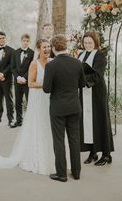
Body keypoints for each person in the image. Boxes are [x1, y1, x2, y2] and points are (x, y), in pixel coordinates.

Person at [0, 39, 55, 175]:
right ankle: (36, 156)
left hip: (49, 99)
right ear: (39, 49)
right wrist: (45, 84)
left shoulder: (52, 62)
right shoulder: (34, 63)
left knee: (48, 125)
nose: (47, 49)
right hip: (38, 99)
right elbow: (31, 84)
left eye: (49, 46)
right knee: (38, 124)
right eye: (44, 47)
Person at [43, 34, 86, 182]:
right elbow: (82, 84)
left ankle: (61, 174)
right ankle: (76, 173)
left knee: (59, 141)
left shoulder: (51, 65)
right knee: (74, 140)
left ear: (54, 48)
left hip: (58, 109)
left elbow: (46, 89)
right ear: (66, 46)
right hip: (74, 107)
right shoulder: (77, 63)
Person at [78, 31, 114, 166]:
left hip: (97, 92)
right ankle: (92, 152)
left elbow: (97, 75)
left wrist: (82, 80)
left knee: (101, 120)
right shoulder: (81, 55)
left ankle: (106, 154)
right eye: (85, 42)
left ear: (95, 42)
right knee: (87, 122)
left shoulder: (100, 56)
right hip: (84, 91)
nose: (87, 45)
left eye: (90, 43)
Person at [11, 33, 34, 128]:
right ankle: (19, 120)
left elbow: (32, 68)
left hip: (27, 81)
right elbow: (13, 67)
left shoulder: (32, 53)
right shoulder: (15, 52)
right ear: (21, 41)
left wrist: (24, 78)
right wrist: (17, 77)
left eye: (27, 41)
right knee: (18, 101)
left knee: (29, 101)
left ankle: (30, 121)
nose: (25, 42)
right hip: (17, 81)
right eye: (24, 41)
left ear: (29, 42)